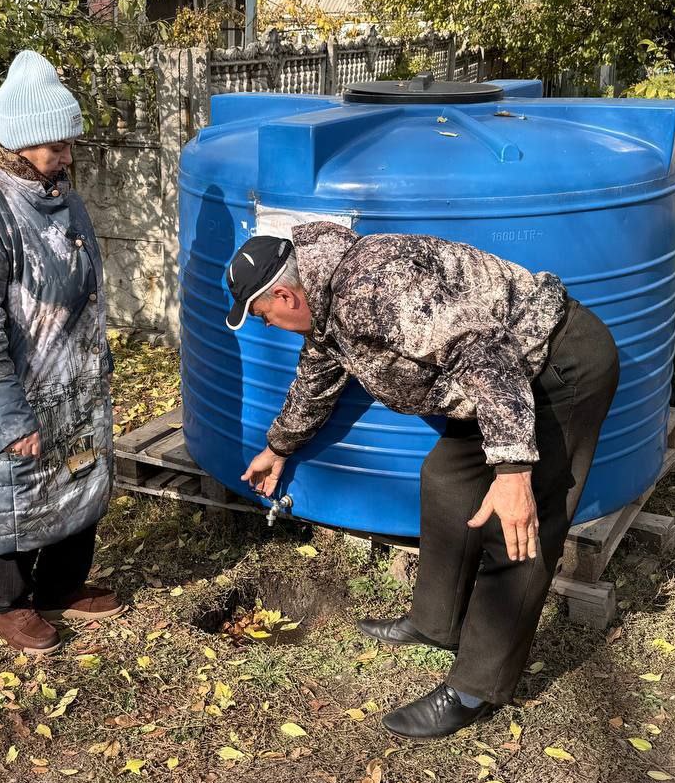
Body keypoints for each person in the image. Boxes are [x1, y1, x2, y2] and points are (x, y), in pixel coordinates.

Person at [227, 223, 619, 738]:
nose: (269, 326)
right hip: (497, 387)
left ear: (284, 295)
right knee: (446, 480)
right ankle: (437, 623)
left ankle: (475, 687)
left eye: (264, 317)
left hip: (553, 368)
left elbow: (485, 348)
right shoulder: (326, 306)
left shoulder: (373, 289)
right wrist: (278, 447)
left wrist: (513, 469)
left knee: (519, 529)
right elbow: (319, 379)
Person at [0, 50, 123, 656]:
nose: (67, 156)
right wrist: (9, 415)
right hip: (3, 387)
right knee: (6, 489)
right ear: (22, 139)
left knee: (76, 477)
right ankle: (9, 605)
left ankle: (61, 586)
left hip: (67, 378)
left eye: (68, 144)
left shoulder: (50, 186)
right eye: (56, 145)